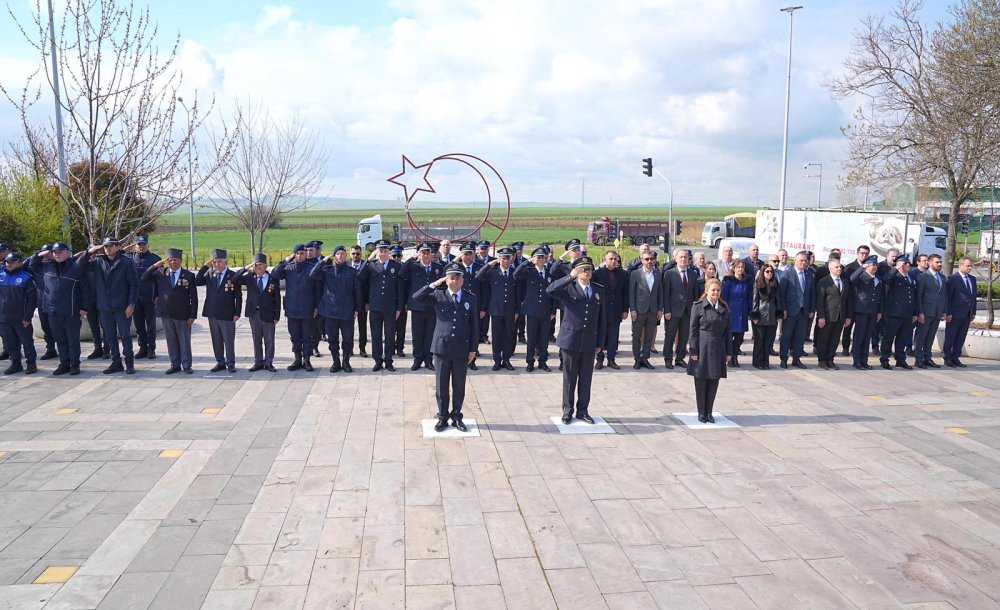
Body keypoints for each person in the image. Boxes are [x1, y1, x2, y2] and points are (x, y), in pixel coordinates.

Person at [415, 263, 479, 432]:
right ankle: (442, 416)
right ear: (446, 279)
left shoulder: (470, 298)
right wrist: (434, 284)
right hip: (441, 347)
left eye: (458, 278)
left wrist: (473, 349)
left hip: (461, 348)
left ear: (463, 280)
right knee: (441, 384)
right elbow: (417, 297)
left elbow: (474, 325)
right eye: (451, 278)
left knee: (459, 384)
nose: (454, 281)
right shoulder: (438, 295)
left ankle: (456, 416)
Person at [546, 257, 606, 425]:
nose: (587, 272)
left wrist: (600, 343)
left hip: (589, 340)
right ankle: (567, 410)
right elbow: (550, 290)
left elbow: (602, 318)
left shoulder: (598, 290)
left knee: (586, 379)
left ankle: (583, 411)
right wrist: (570, 277)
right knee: (569, 379)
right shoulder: (568, 287)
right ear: (577, 271)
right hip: (570, 340)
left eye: (589, 269)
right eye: (583, 269)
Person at [28, 243, 88, 376]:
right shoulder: (46, 266)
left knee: (72, 340)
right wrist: (40, 255)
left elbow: (85, 289)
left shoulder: (76, 267)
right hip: (52, 310)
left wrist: (84, 307)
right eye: (54, 252)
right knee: (59, 339)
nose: (57, 254)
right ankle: (64, 363)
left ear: (68, 252)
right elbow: (31, 265)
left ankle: (75, 364)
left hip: (70, 310)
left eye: (60, 252)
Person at [83, 237, 139, 374]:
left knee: (125, 336)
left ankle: (129, 363)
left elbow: (133, 285)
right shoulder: (98, 262)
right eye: (105, 246)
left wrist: (131, 304)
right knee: (110, 337)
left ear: (118, 247)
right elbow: (80, 265)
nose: (107, 248)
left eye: (110, 246)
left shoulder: (126, 262)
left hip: (122, 306)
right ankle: (116, 363)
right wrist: (90, 252)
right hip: (105, 307)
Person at [141, 248, 198, 374]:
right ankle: (175, 364)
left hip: (182, 314)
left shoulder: (188, 275)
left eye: (175, 260)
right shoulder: (161, 273)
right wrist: (155, 266)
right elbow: (144, 278)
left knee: (184, 341)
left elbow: (194, 298)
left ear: (180, 261)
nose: (173, 262)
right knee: (171, 341)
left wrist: (192, 315)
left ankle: (187, 365)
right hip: (166, 313)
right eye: (170, 260)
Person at [311, 246, 363, 373]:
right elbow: (312, 274)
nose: (340, 256)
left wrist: (357, 309)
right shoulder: (327, 271)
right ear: (334, 256)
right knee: (332, 340)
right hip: (331, 312)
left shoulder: (352, 272)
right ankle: (336, 362)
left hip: (347, 312)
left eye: (343, 254)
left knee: (348, 339)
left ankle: (346, 362)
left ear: (346, 256)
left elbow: (358, 292)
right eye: (338, 254)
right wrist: (323, 261)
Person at [688, 278, 732, 424]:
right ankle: (701, 412)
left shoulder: (724, 309)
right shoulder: (698, 307)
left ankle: (709, 412)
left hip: (718, 348)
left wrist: (729, 352)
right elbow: (693, 331)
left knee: (714, 380)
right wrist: (693, 350)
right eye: (713, 290)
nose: (715, 293)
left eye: (718, 290)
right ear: (706, 291)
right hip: (702, 347)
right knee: (701, 381)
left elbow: (728, 332)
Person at [358, 239, 404, 372]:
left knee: (389, 336)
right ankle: (378, 360)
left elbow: (400, 288)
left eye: (385, 251)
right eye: (380, 251)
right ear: (377, 252)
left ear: (389, 252)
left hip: (390, 307)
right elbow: (360, 277)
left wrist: (399, 307)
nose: (383, 254)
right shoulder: (371, 265)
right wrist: (368, 259)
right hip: (375, 307)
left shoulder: (396, 266)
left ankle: (388, 361)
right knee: (376, 335)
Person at [273, 245, 321, 372]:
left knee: (307, 336)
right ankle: (297, 359)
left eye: (302, 253)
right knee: (294, 336)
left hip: (307, 309)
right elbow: (275, 274)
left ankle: (307, 360)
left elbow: (318, 289)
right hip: (292, 308)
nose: (300, 256)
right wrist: (286, 260)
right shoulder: (288, 268)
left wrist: (317, 306)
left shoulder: (312, 268)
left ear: (306, 254)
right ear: (294, 255)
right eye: (297, 253)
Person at [195, 249, 242, 373]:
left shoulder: (232, 275)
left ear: (225, 262)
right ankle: (220, 362)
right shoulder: (210, 274)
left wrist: (237, 312)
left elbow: (238, 296)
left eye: (220, 261)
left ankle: (230, 363)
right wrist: (205, 267)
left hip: (227, 313)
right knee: (216, 339)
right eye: (214, 262)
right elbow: (197, 281)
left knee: (228, 340)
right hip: (213, 313)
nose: (217, 264)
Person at [234, 254, 280, 372]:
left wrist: (277, 316)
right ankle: (258, 362)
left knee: (269, 340)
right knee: (256, 339)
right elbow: (234, 279)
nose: (258, 267)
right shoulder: (250, 278)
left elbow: (277, 299)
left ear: (266, 266)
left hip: (269, 313)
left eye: (261, 265)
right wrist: (245, 268)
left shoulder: (272, 279)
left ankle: (268, 362)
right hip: (254, 313)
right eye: (256, 265)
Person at [513, 246, 557, 371]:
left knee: (544, 338)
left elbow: (554, 294)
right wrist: (527, 262)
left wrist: (553, 311)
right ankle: (530, 362)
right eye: (538, 257)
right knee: (531, 338)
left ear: (546, 259)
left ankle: (543, 361)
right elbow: (516, 274)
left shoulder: (549, 274)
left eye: (542, 257)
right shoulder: (528, 272)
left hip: (545, 310)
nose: (540, 260)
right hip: (532, 311)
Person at [402, 243, 444, 370]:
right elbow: (401, 273)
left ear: (431, 254)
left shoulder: (438, 267)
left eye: (428, 253)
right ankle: (417, 359)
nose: (426, 255)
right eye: (423, 253)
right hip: (417, 306)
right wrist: (412, 258)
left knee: (430, 334)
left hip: (432, 306)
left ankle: (428, 359)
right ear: (419, 254)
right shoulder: (413, 266)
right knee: (417, 335)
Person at [476, 246, 519, 371]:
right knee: (496, 336)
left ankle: (506, 360)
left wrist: (517, 310)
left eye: (508, 258)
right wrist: (490, 264)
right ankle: (497, 361)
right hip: (496, 309)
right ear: (499, 259)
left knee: (508, 335)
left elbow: (518, 293)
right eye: (503, 258)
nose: (506, 261)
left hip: (510, 310)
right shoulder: (493, 272)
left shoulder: (514, 273)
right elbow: (478, 276)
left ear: (511, 259)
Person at [0, 253, 37, 375]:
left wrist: (27, 317)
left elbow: (32, 300)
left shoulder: (27, 277)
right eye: (7, 261)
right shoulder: (1, 276)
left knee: (27, 342)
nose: (9, 264)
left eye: (12, 261)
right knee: (9, 343)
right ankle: (16, 364)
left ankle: (31, 364)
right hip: (4, 318)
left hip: (21, 318)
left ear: (20, 262)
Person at [879, 255, 918, 370]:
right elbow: (885, 280)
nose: (908, 265)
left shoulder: (910, 277)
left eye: (908, 263)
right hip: (894, 313)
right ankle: (884, 359)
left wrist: (915, 312)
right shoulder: (894, 276)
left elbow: (913, 296)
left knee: (903, 338)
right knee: (889, 337)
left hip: (907, 313)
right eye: (905, 263)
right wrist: (896, 268)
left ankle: (900, 359)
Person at [660, 249, 697, 369]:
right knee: (670, 336)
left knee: (684, 336)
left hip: (688, 311)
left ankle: (680, 358)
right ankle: (668, 358)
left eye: (685, 257)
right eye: (681, 257)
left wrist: (695, 311)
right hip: (673, 311)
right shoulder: (669, 274)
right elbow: (666, 294)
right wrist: (667, 311)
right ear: (675, 259)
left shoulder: (693, 274)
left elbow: (695, 294)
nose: (683, 259)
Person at [592, 250, 628, 370]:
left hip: (616, 310)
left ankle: (611, 359)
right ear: (605, 259)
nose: (613, 261)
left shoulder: (623, 274)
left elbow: (625, 293)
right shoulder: (597, 274)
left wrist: (625, 310)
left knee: (613, 336)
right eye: (611, 259)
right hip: (601, 310)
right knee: (600, 336)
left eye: (615, 259)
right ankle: (599, 359)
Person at [778, 251, 815, 369]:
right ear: (795, 260)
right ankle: (784, 358)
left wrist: (811, 309)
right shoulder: (787, 273)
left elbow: (812, 294)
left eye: (805, 261)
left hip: (804, 311)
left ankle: (796, 358)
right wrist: (783, 309)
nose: (803, 263)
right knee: (786, 336)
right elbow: (782, 293)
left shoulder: (809, 275)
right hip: (790, 311)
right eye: (801, 260)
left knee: (800, 336)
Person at [126, 236, 160, 359]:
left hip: (150, 298)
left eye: (143, 244)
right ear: (135, 246)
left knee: (150, 326)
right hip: (135, 299)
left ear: (147, 245)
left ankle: (151, 349)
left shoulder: (155, 259)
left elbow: (160, 280)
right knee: (139, 326)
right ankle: (142, 348)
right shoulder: (129, 259)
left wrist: (158, 295)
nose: (141, 246)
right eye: (139, 244)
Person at [814, 259, 852, 370]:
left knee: (835, 340)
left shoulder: (845, 282)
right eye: (836, 267)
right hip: (828, 316)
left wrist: (848, 317)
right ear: (830, 269)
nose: (839, 269)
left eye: (840, 267)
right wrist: (821, 317)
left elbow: (848, 301)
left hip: (840, 316)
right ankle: (822, 360)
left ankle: (830, 359)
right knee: (823, 339)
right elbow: (820, 301)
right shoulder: (824, 281)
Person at [628, 248, 662, 369]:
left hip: (653, 310)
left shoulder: (658, 274)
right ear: (642, 260)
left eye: (651, 259)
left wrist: (660, 309)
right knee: (637, 336)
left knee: (649, 336)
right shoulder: (635, 274)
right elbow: (631, 293)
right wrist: (632, 309)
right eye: (647, 259)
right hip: (639, 310)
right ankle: (637, 359)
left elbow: (660, 293)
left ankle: (645, 358)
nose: (649, 261)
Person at [455, 242, 485, 370]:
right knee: (459, 332)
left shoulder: (480, 267)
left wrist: (483, 308)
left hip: (475, 306)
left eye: (470, 254)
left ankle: (472, 360)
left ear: (474, 255)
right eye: (465, 254)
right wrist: (455, 260)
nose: (468, 256)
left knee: (473, 332)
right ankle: (459, 359)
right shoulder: (456, 268)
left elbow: (485, 290)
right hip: (459, 306)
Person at [849, 256, 883, 369]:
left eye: (876, 265)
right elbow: (852, 279)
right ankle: (857, 361)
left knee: (867, 337)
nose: (874, 267)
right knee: (859, 337)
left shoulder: (878, 278)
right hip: (861, 310)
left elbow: (880, 297)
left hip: (873, 311)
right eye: (872, 265)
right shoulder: (861, 276)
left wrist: (879, 311)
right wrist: (862, 268)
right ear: (867, 266)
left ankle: (864, 360)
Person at [943, 257, 977, 368]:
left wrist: (973, 311)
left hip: (967, 314)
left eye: (971, 266)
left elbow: (973, 297)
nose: (970, 268)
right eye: (968, 266)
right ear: (961, 265)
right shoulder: (952, 279)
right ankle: (948, 358)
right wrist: (948, 312)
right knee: (950, 336)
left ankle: (956, 357)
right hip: (954, 313)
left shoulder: (972, 279)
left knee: (961, 337)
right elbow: (948, 297)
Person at [914, 254, 947, 368]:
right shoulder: (923, 277)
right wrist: (920, 312)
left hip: (937, 312)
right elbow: (919, 296)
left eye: (940, 262)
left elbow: (944, 295)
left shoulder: (942, 277)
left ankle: (927, 357)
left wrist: (944, 311)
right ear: (930, 262)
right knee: (921, 336)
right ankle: (919, 359)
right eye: (937, 262)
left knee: (931, 336)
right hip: (926, 312)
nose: (940, 264)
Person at [721, 259, 752, 367]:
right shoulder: (729, 281)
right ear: (734, 268)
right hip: (731, 311)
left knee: (740, 337)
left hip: (742, 311)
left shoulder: (747, 281)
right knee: (729, 337)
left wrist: (749, 311)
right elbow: (724, 297)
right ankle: (729, 357)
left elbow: (749, 297)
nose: (740, 269)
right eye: (738, 267)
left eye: (742, 267)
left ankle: (735, 356)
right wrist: (724, 311)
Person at [841, 245, 870, 356]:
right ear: (857, 254)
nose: (864, 255)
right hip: (852, 301)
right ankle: (845, 347)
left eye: (866, 253)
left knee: (860, 328)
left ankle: (855, 348)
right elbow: (847, 283)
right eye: (862, 253)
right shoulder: (850, 267)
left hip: (863, 304)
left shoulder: (870, 266)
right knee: (848, 326)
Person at [751, 265, 781, 369]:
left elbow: (778, 300)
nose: (769, 273)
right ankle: (757, 362)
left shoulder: (775, 284)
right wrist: (755, 315)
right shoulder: (758, 284)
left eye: (771, 271)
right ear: (762, 272)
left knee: (768, 341)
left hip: (772, 315)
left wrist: (779, 314)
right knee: (759, 340)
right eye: (767, 271)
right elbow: (755, 300)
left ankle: (765, 362)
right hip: (761, 314)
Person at [349, 245, 369, 358]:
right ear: (350, 254)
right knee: (348, 327)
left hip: (362, 301)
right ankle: (349, 349)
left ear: (361, 254)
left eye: (357, 253)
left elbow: (369, 285)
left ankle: (362, 349)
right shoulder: (346, 264)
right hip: (349, 302)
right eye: (353, 253)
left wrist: (367, 302)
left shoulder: (366, 265)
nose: (355, 255)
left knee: (362, 326)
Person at [391, 245, 408, 357]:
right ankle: (391, 347)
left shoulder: (405, 268)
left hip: (402, 301)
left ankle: (400, 348)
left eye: (398, 255)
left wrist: (407, 303)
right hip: (390, 302)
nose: (396, 258)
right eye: (394, 256)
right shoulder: (388, 267)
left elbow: (408, 287)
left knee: (401, 327)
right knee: (390, 328)